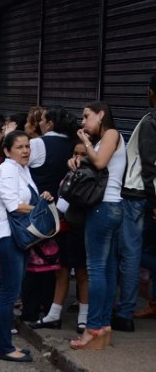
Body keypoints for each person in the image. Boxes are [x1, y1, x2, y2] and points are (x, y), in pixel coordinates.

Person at [0, 130, 53, 362]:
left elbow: (28, 201)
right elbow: (12, 205)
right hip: (8, 237)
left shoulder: (22, 169)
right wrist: (42, 209)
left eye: (28, 146)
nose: (26, 150)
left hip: (19, 238)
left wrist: (42, 198)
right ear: (7, 151)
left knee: (11, 291)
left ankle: (4, 343)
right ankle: (4, 347)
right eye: (20, 147)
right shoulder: (7, 169)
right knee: (9, 292)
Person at [69, 101, 125, 350]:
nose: (83, 122)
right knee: (108, 268)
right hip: (110, 208)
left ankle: (92, 328)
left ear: (101, 114)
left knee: (97, 269)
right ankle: (102, 326)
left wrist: (87, 143)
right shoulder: (106, 138)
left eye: (86, 116)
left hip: (104, 208)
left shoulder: (112, 133)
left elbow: (100, 164)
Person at [32, 142, 89, 333]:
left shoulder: (89, 175)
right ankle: (54, 314)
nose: (78, 158)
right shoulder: (68, 175)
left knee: (82, 273)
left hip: (80, 229)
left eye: (83, 154)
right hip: (65, 229)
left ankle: (83, 317)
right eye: (75, 153)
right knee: (61, 272)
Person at [115, 74, 156, 329]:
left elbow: (149, 165)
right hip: (147, 196)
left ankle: (125, 313)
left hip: (139, 194)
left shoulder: (151, 121)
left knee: (130, 253)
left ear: (151, 91)